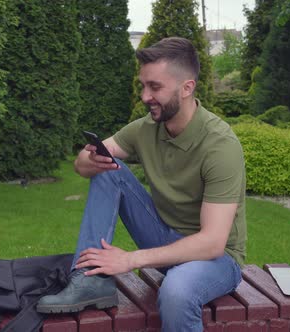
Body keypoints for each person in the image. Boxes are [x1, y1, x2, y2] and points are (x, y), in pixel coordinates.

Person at [37, 37, 246, 332]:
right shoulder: (146, 129)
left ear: (187, 88)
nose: (145, 96)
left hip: (217, 258)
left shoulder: (220, 146)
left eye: (155, 87)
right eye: (143, 86)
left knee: (176, 292)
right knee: (110, 167)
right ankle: (89, 279)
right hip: (163, 239)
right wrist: (88, 160)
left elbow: (212, 242)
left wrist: (129, 260)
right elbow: (85, 161)